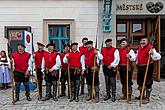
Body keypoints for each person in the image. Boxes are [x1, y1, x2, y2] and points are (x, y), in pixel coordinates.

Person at [135, 36, 161, 104]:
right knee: (140, 82)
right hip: (140, 67)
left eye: (144, 41)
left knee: (148, 82)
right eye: (141, 41)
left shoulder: (150, 48)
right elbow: (137, 56)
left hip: (148, 66)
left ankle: (147, 98)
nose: (142, 42)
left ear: (147, 42)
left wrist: (152, 53)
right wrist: (136, 60)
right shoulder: (139, 48)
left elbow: (158, 57)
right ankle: (142, 95)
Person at [118, 38, 136, 104]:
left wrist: (130, 56)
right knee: (123, 81)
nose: (123, 44)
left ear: (127, 44)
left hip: (127, 67)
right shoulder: (119, 50)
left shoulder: (130, 50)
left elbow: (134, 58)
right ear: (120, 44)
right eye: (122, 43)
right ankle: (125, 95)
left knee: (128, 81)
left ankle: (129, 96)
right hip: (121, 67)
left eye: (125, 42)